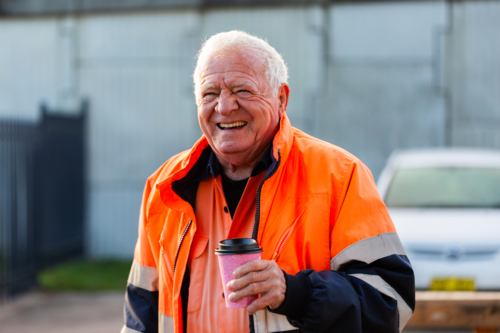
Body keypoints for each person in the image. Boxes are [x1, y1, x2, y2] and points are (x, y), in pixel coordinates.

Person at [121, 31, 415, 333]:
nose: (224, 106)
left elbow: (390, 303)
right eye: (209, 93)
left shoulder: (340, 175)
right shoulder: (165, 187)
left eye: (242, 90)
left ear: (281, 99)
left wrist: (298, 294)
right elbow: (140, 317)